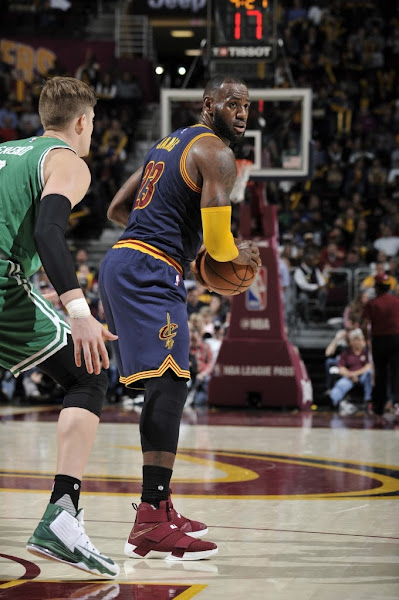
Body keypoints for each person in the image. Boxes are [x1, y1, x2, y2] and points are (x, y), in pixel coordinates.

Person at [99, 75, 261, 560]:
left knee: (167, 386)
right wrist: (242, 254)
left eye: (247, 107)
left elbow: (116, 208)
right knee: (170, 387)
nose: (241, 113)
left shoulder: (167, 144)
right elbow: (219, 247)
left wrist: (166, 233)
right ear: (208, 104)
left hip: (126, 259)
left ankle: (162, 505)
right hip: (149, 267)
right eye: (232, 103)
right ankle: (150, 518)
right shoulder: (217, 154)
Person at [0, 76, 119, 578]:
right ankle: (62, 516)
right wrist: (79, 311)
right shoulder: (67, 160)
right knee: (88, 372)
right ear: (82, 122)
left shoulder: (7, 151)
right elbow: (49, 231)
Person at [362, 273, 399, 419]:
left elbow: (365, 325)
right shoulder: (397, 301)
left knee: (380, 373)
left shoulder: (372, 303)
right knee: (397, 373)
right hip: (397, 339)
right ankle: (397, 404)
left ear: (376, 287)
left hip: (380, 340)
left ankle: (379, 407)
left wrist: (366, 340)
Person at [329, 328, 372, 416]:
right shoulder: (346, 353)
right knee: (340, 385)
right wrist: (351, 375)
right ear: (351, 341)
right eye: (354, 340)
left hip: (362, 376)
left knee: (369, 374)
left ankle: (368, 401)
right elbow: (341, 368)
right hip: (349, 377)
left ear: (362, 340)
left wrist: (356, 374)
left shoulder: (366, 352)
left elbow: (368, 366)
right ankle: (335, 403)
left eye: (358, 339)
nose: (356, 342)